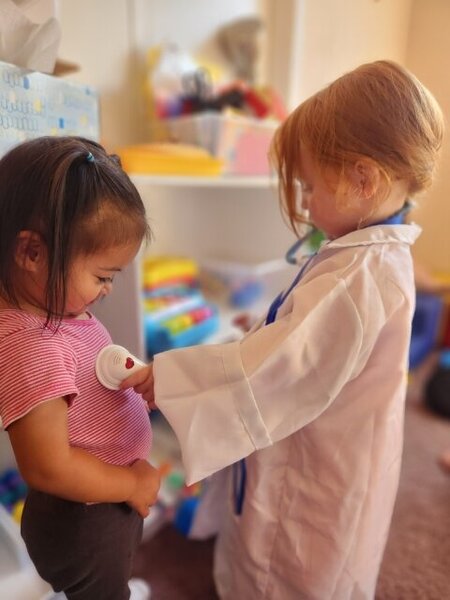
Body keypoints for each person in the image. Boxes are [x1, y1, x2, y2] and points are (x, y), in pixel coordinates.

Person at [122, 61, 444, 599]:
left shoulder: (357, 276)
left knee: (289, 557)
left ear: (363, 181)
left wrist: (171, 379)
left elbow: (275, 369)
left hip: (319, 463)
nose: (306, 204)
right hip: (349, 444)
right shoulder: (376, 255)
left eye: (310, 187)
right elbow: (304, 336)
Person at [0, 136, 160, 600]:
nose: (107, 289)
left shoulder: (53, 311)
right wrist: (131, 483)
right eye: (102, 276)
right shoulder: (33, 346)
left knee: (107, 581)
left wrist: (126, 375)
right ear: (32, 253)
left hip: (98, 507)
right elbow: (49, 467)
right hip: (86, 519)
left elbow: (85, 370)